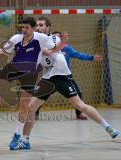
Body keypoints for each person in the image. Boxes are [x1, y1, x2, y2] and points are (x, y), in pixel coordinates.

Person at [11, 16, 119, 150]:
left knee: (80, 105)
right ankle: (25, 140)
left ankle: (108, 127)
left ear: (48, 27)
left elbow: (56, 48)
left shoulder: (53, 38)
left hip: (62, 76)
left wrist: (62, 42)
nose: (39, 27)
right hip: (48, 78)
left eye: (41, 25)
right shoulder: (35, 42)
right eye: (37, 25)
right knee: (31, 106)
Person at [0, 16, 67, 150]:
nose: (24, 30)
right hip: (14, 67)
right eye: (22, 27)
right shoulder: (16, 39)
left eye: (26, 27)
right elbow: (4, 51)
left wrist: (62, 43)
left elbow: (54, 48)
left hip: (31, 73)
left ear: (33, 28)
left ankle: (17, 135)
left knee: (24, 104)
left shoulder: (41, 38)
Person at [35, 17, 102, 120]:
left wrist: (92, 57)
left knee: (78, 93)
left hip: (64, 76)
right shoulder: (42, 44)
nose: (56, 39)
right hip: (50, 76)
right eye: (55, 37)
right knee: (40, 96)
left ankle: (79, 113)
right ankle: (35, 113)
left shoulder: (66, 48)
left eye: (59, 38)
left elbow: (79, 55)